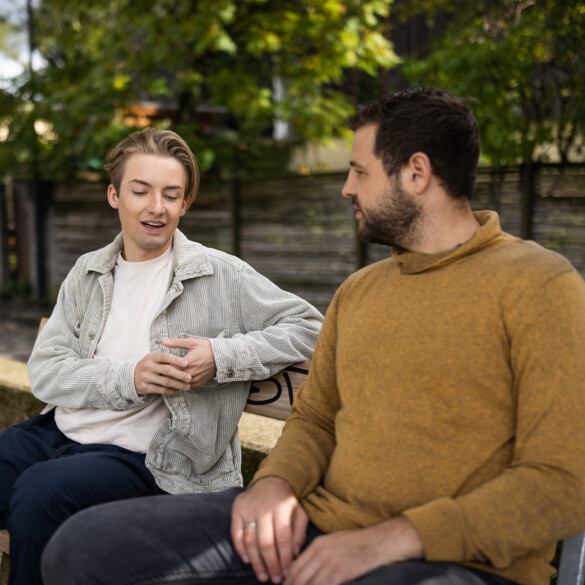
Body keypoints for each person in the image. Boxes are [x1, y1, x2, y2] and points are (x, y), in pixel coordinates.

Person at [42, 87, 585, 585]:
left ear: (416, 173)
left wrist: (391, 539)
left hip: (455, 561)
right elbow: (316, 420)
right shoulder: (360, 291)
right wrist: (273, 486)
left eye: (359, 171)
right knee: (83, 548)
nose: (347, 187)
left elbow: (563, 481)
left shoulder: (539, 286)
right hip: (318, 528)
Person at [0, 127, 323, 585]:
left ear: (184, 204)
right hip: (58, 432)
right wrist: (131, 377)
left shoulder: (219, 273)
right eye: (141, 191)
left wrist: (220, 355)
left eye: (172, 195)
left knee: (39, 496)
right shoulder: (88, 272)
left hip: (147, 459)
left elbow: (311, 328)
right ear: (115, 195)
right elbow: (46, 373)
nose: (157, 207)